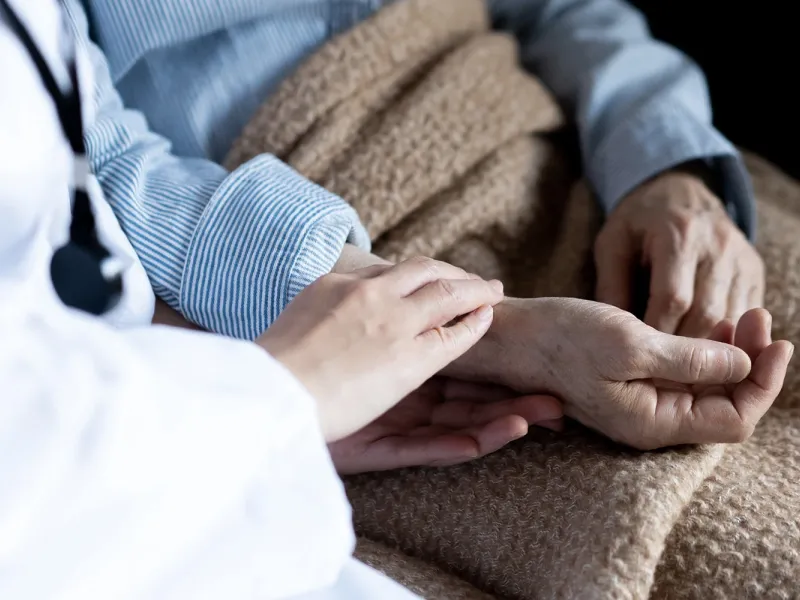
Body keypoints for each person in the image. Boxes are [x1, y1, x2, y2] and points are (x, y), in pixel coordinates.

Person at [0, 1, 565, 596]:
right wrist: (282, 388)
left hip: (216, 375)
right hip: (197, 413)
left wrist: (663, 159)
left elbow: (81, 182)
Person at [69, 0, 791, 458]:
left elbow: (556, 9)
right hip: (304, 260)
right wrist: (482, 334)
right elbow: (76, 152)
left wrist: (665, 164)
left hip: (570, 147)